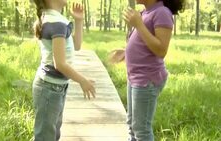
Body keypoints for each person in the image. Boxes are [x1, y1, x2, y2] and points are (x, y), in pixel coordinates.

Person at [109, 0, 184, 140]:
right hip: (135, 78)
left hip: (147, 79)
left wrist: (138, 24)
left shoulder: (162, 13)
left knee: (141, 129)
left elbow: (161, 50)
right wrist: (126, 52)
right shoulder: (145, 12)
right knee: (132, 125)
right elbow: (144, 43)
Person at [32, 0, 96, 141]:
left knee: (52, 132)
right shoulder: (55, 22)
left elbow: (77, 45)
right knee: (45, 136)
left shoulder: (55, 19)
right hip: (49, 88)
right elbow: (59, 64)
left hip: (54, 87)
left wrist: (78, 21)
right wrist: (82, 80)